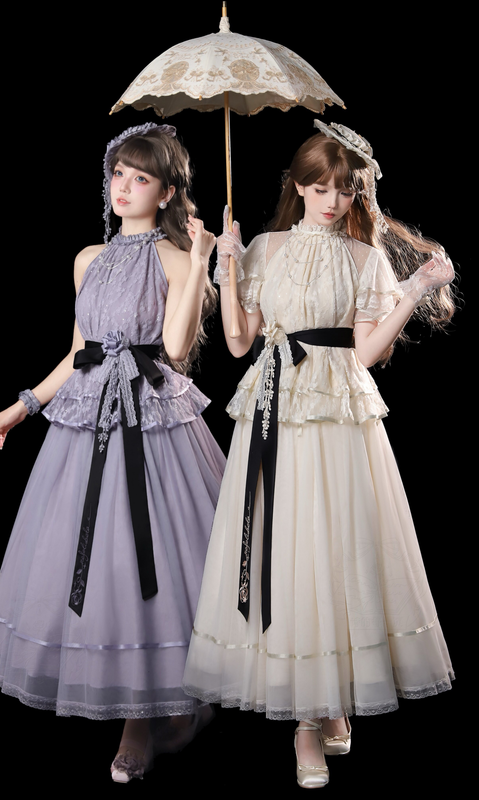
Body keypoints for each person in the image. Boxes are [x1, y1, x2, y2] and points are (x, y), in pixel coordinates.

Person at [182, 121, 455, 789]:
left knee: (337, 551)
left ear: (357, 193)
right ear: (298, 186)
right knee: (285, 548)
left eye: (344, 190)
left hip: (337, 410)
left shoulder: (364, 258)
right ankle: (308, 719)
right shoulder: (265, 248)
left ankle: (326, 703)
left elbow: (365, 353)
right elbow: (240, 343)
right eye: (320, 187)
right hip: (274, 406)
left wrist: (414, 289)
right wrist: (227, 267)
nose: (332, 201)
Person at [0, 122, 225, 782]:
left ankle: (140, 722)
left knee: (150, 563)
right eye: (118, 173)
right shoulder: (88, 258)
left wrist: (201, 260)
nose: (123, 186)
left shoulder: (175, 259)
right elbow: (77, 352)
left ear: (166, 191)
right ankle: (155, 711)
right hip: (87, 418)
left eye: (140, 177)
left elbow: (175, 351)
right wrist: (24, 405)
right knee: (97, 562)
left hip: (150, 419)